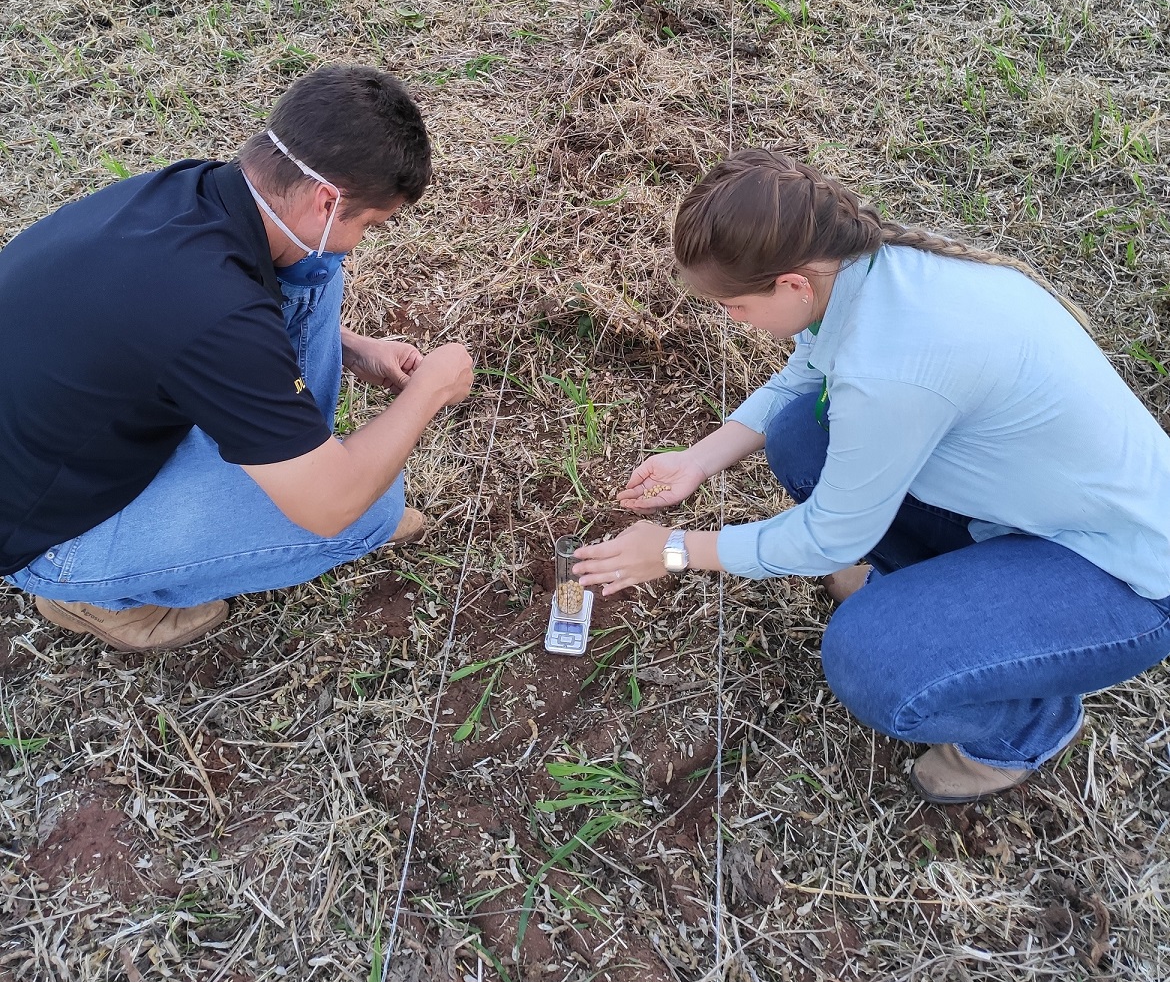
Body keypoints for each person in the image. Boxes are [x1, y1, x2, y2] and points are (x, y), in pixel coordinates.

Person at [573, 150, 1170, 804]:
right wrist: (698, 459)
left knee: (871, 660)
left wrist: (675, 550)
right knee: (805, 434)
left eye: (736, 307)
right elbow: (809, 369)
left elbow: (827, 537)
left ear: (792, 285)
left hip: (1124, 577)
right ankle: (929, 592)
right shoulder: (868, 268)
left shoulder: (892, 370)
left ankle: (1024, 727)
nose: (731, 320)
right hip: (1034, 512)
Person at [1, 64, 473, 653]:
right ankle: (85, 594)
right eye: (371, 223)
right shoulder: (212, 313)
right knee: (365, 510)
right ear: (328, 199)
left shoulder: (192, 192)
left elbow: (183, 330)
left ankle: (296, 450)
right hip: (47, 532)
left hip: (53, 436)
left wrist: (353, 347)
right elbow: (330, 509)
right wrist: (431, 387)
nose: (365, 236)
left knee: (311, 268)